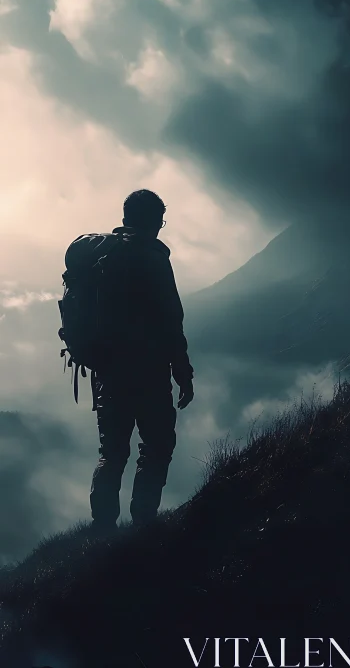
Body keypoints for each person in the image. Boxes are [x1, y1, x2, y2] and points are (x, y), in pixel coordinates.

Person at [88, 189, 194, 533]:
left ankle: (103, 531)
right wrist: (183, 373)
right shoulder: (153, 257)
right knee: (156, 446)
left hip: (107, 374)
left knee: (112, 453)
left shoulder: (101, 256)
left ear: (125, 218)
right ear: (155, 222)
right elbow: (170, 320)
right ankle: (144, 526)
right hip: (149, 373)